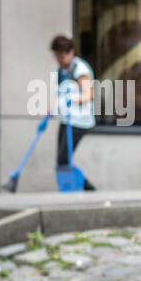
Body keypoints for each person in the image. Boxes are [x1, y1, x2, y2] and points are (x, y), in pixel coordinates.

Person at [50, 35, 96, 190]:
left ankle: (85, 186)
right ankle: (76, 186)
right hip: (66, 119)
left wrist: (73, 100)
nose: (60, 59)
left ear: (71, 52)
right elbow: (60, 94)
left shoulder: (80, 69)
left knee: (64, 158)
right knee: (61, 159)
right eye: (57, 56)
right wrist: (51, 109)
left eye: (62, 55)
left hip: (79, 121)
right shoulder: (60, 71)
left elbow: (89, 94)